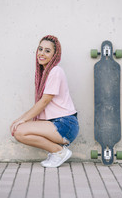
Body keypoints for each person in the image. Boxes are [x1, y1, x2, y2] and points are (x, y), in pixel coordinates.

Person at [10, 35, 79, 168]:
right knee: (18, 130)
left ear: (55, 55)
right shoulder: (43, 73)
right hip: (57, 123)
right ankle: (56, 151)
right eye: (40, 49)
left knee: (19, 130)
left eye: (47, 51)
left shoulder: (55, 71)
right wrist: (20, 119)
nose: (42, 53)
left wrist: (21, 119)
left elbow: (44, 101)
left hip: (65, 124)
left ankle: (59, 152)